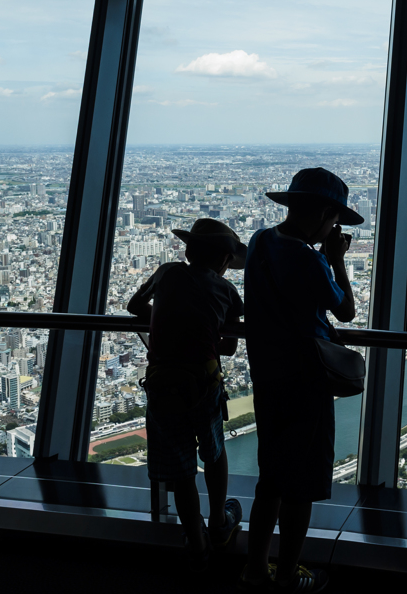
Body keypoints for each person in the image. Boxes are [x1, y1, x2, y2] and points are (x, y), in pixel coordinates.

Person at [239, 168, 363, 592]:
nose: (335, 229)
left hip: (266, 376)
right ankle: (288, 575)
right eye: (335, 221)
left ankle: (255, 569)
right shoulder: (307, 257)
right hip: (306, 381)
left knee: (270, 479)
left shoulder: (259, 241)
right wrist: (336, 259)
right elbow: (345, 311)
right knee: (301, 487)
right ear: (327, 213)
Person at [126, 217, 247, 570]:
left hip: (163, 383)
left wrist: (167, 319)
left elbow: (135, 306)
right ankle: (220, 524)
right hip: (204, 384)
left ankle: (195, 542)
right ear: (225, 260)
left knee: (181, 470)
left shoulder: (166, 273)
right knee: (213, 452)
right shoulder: (228, 293)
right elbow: (227, 348)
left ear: (188, 250)